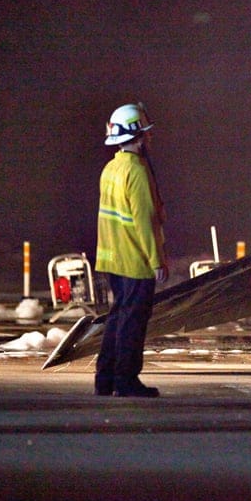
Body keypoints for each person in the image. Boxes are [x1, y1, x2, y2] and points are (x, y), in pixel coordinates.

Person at [94, 102, 168, 397]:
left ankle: (106, 378)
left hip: (112, 258)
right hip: (134, 260)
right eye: (146, 133)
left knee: (117, 319)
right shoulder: (136, 171)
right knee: (133, 323)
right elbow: (145, 220)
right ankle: (126, 380)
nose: (149, 138)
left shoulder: (111, 167)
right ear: (136, 135)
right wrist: (157, 260)